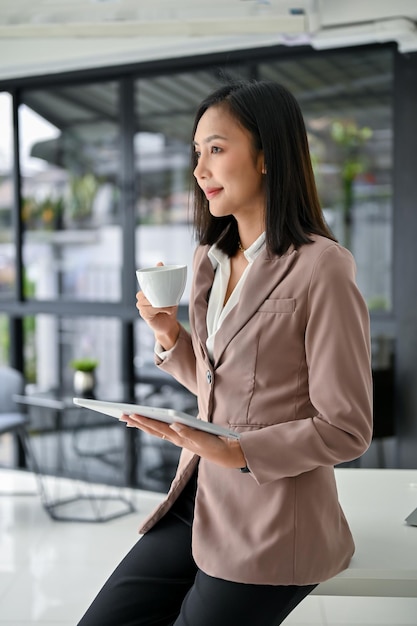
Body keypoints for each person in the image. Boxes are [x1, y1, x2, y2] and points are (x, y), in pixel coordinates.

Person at [78, 80, 373, 626]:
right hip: (197, 497)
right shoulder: (207, 262)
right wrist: (169, 336)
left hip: (273, 521)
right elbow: (222, 385)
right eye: (197, 153)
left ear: (266, 156)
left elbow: (347, 428)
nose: (200, 170)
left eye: (216, 148)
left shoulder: (321, 267)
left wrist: (238, 453)